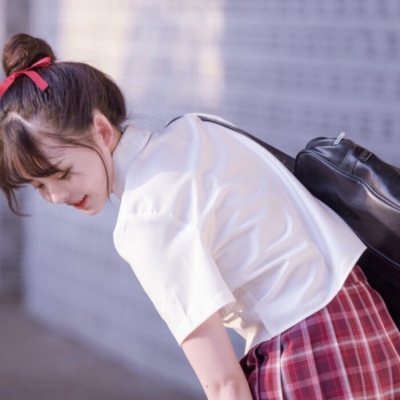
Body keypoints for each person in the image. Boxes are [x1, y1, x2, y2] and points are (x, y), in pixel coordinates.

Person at [0, 33, 399, 400]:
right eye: (38, 186)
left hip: (308, 355)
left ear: (101, 130)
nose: (55, 195)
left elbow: (222, 382)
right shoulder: (199, 130)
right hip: (368, 321)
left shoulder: (146, 217)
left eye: (62, 173)